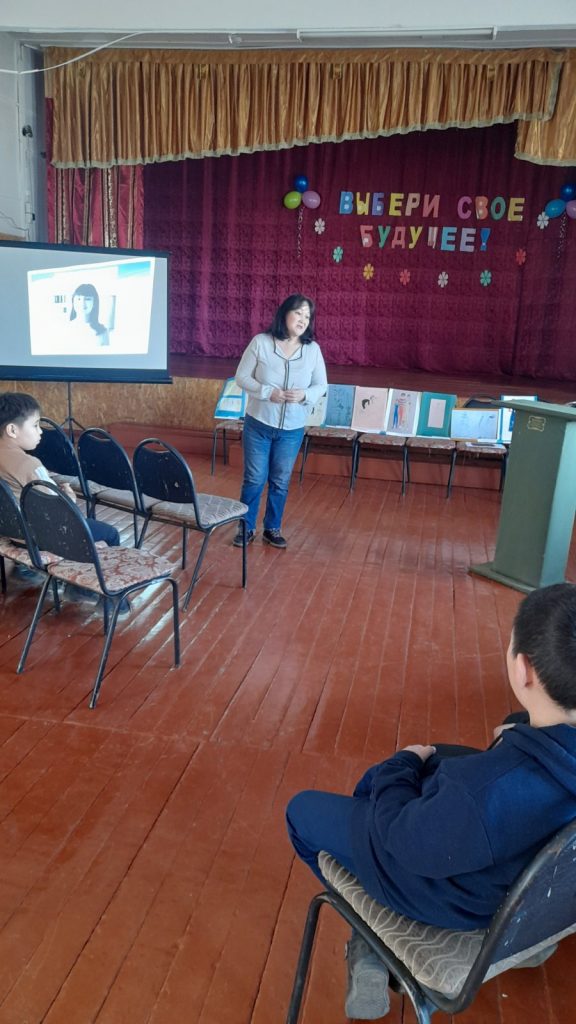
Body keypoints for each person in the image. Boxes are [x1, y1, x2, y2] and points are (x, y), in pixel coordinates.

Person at [286, 583, 576, 1019]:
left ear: (524, 670)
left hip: (465, 902)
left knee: (304, 811)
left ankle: (369, 942)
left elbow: (401, 838)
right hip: (541, 901)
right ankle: (530, 937)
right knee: (436, 766)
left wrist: (401, 764)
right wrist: (519, 736)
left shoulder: (480, 792)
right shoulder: (505, 774)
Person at [0, 392, 121, 603]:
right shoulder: (29, 464)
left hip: (11, 531)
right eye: (35, 425)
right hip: (40, 538)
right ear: (12, 430)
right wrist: (69, 498)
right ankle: (82, 589)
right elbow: (58, 513)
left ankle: (25, 569)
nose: (40, 432)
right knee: (110, 534)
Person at [232, 294, 327, 549]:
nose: (303, 320)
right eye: (298, 313)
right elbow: (241, 377)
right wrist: (267, 392)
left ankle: (272, 528)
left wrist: (304, 395)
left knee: (280, 481)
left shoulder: (312, 350)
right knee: (254, 478)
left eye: (307, 316)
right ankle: (246, 528)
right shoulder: (261, 342)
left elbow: (321, 385)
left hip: (292, 430)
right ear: (284, 314)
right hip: (259, 424)